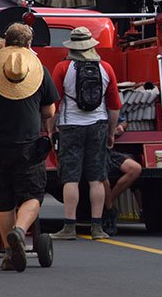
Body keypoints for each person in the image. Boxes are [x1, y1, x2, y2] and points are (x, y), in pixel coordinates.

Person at [0, 23, 59, 272]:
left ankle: (11, 254)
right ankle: (20, 231)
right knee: (33, 195)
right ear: (29, 45)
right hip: (28, 145)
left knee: (3, 201)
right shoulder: (39, 70)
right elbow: (49, 110)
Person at [50, 27, 122, 241]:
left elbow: (55, 101)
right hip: (98, 124)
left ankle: (69, 227)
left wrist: (50, 127)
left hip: (70, 125)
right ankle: (97, 227)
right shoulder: (105, 68)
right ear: (91, 46)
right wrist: (110, 132)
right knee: (97, 178)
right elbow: (115, 105)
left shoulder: (63, 67)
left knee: (70, 178)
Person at [101, 118, 142, 236]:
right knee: (101, 174)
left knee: (135, 169)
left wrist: (120, 127)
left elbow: (123, 120)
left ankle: (108, 204)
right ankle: (109, 211)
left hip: (110, 149)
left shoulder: (107, 103)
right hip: (94, 149)